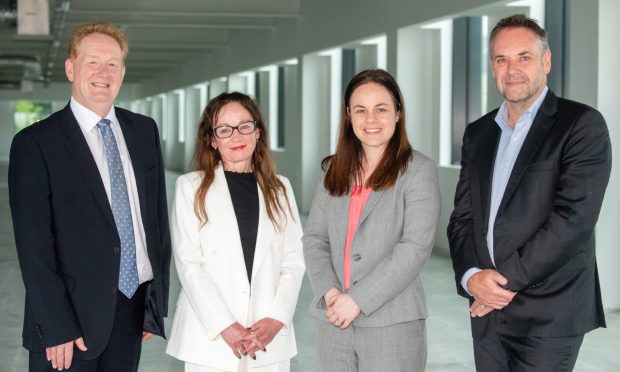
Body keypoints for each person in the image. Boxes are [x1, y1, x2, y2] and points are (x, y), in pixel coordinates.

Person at [448, 14, 611, 371]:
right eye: (501, 59)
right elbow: (462, 216)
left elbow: (573, 220)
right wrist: (470, 277)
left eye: (524, 57)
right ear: (492, 67)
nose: (512, 69)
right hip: (486, 313)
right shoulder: (478, 133)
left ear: (546, 61)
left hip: (549, 313)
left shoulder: (581, 125)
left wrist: (496, 287)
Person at [8, 22, 171, 372]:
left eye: (112, 63)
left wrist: (153, 306)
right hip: (68, 320)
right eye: (92, 61)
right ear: (71, 68)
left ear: (123, 73)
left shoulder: (144, 132)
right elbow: (33, 245)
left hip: (130, 307)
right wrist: (56, 325)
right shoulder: (36, 143)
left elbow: (155, 221)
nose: (103, 72)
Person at [303, 69, 441, 371]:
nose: (371, 120)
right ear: (348, 116)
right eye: (360, 110)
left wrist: (357, 301)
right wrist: (330, 294)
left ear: (398, 113)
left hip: (392, 324)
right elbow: (314, 239)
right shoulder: (332, 171)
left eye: (381, 109)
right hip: (333, 321)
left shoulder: (418, 171)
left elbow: (415, 246)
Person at [165, 92, 305, 372]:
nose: (236, 136)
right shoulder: (190, 187)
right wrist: (225, 326)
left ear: (258, 132)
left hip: (267, 336)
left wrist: (277, 319)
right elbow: (189, 264)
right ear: (212, 140)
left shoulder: (281, 188)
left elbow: (294, 261)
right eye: (224, 130)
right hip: (212, 336)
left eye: (244, 126)